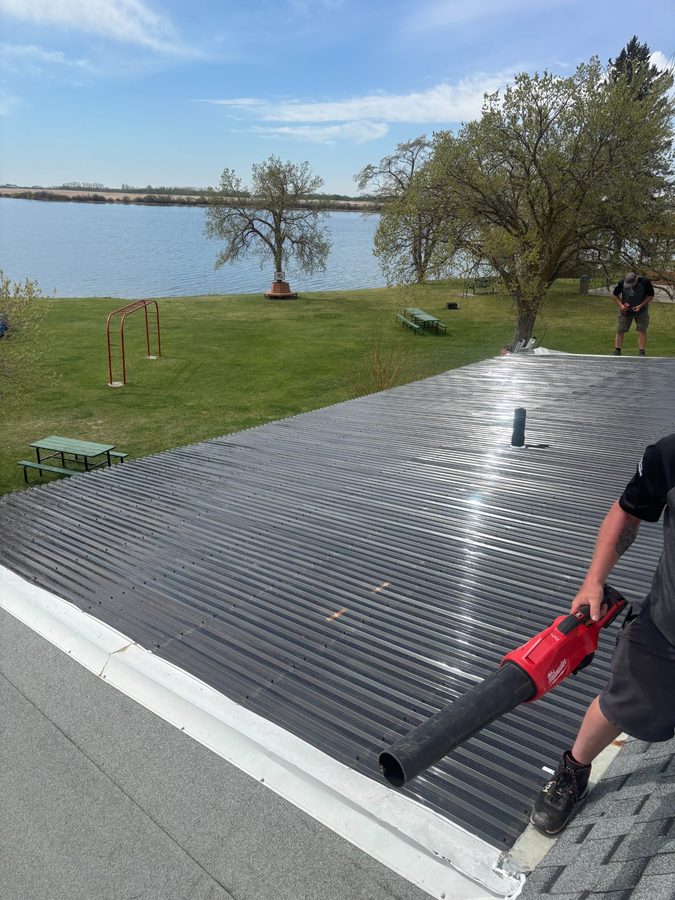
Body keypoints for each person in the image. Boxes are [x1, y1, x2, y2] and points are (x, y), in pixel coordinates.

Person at [530, 433, 675, 835]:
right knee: (621, 705)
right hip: (667, 629)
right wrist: (594, 581)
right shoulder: (671, 454)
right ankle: (573, 770)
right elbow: (627, 513)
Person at [612, 272, 654, 356]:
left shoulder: (645, 282)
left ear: (636, 279)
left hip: (641, 310)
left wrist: (641, 305)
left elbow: (651, 296)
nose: (630, 286)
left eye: (631, 284)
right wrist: (621, 306)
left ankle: (641, 351)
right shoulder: (621, 283)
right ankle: (617, 350)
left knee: (642, 329)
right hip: (626, 310)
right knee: (620, 329)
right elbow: (615, 295)